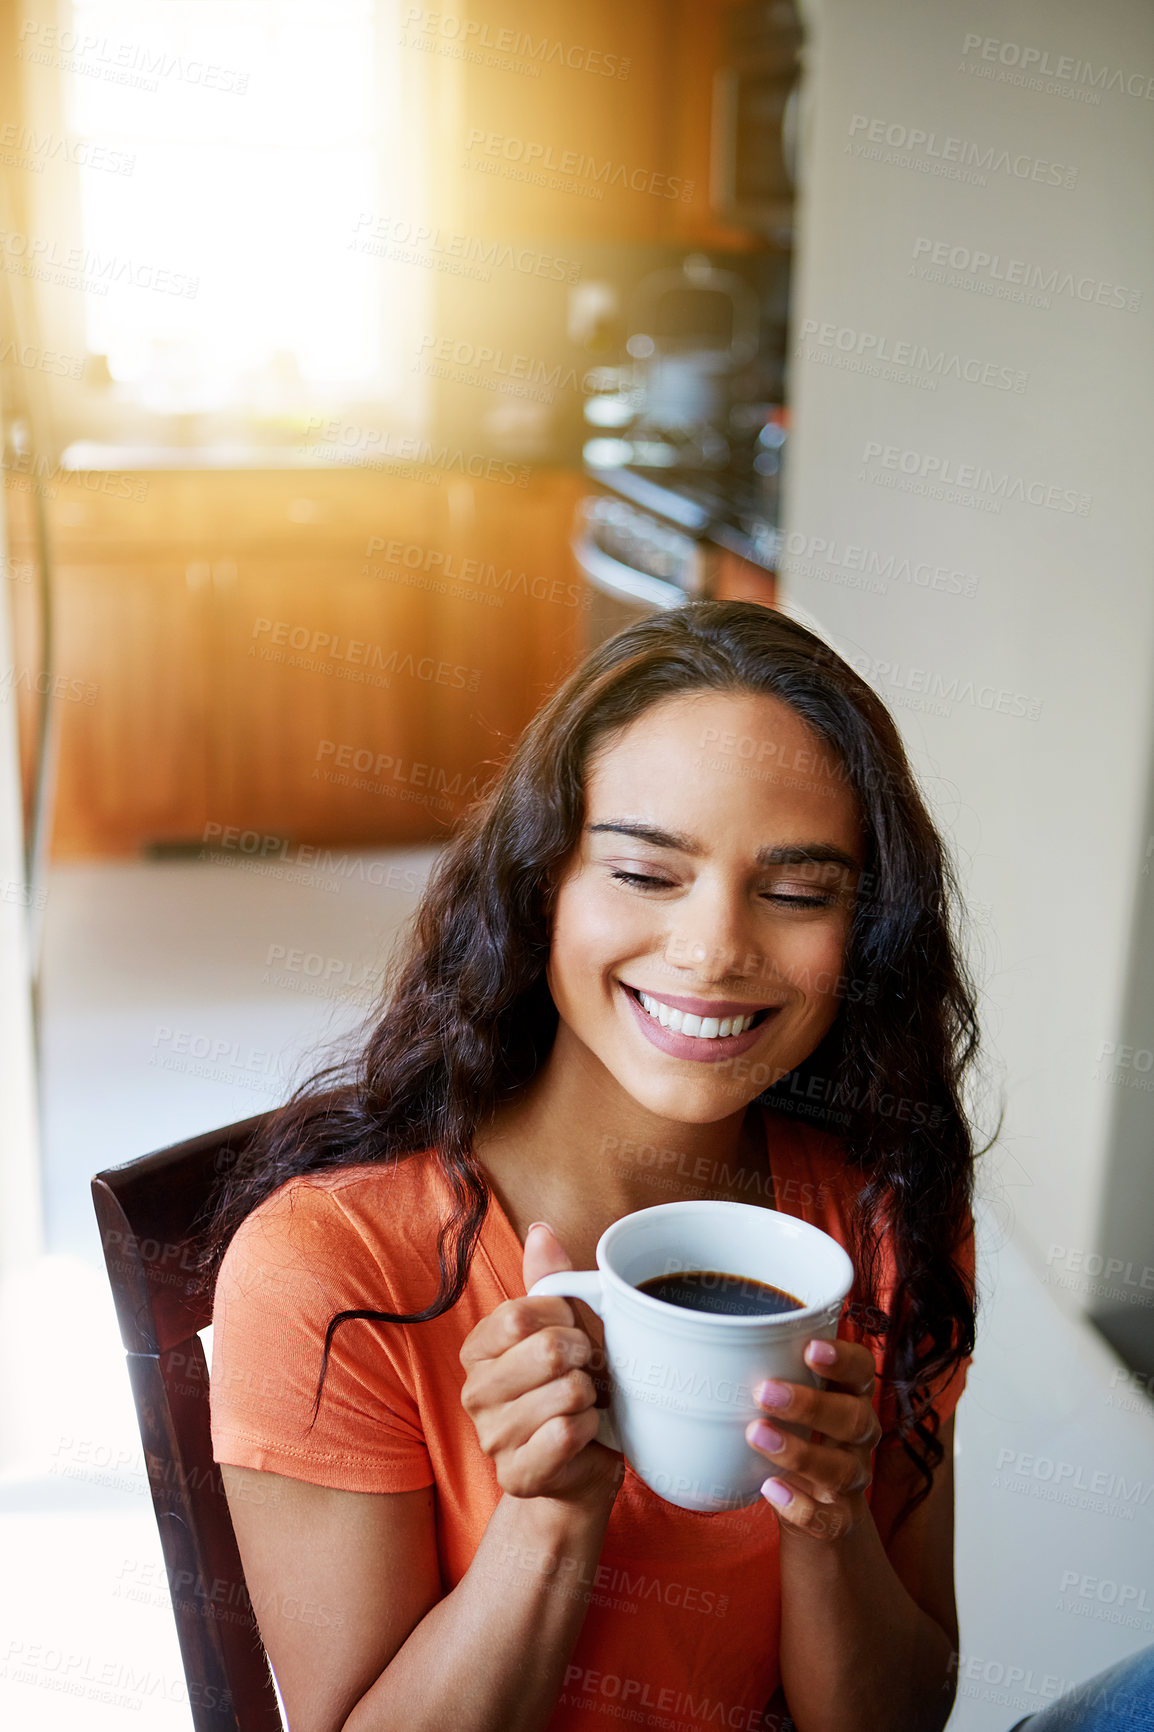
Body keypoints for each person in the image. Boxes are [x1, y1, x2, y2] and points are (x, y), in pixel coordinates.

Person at [202, 601, 982, 1732]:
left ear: (861, 935)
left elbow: (905, 1714)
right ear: (539, 884)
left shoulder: (882, 1217)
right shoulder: (330, 1267)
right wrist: (550, 1518)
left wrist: (831, 1516)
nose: (713, 949)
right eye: (644, 874)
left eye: (797, 892)